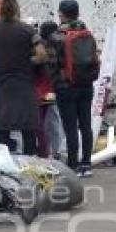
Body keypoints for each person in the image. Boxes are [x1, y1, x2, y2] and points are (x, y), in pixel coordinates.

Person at [0, 0, 47, 155]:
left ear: (1, 11)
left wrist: (1, 61)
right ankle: (30, 162)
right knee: (28, 130)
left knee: (2, 129)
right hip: (25, 86)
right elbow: (42, 55)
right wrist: (27, 60)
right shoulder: (28, 30)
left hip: (2, 88)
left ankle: (6, 166)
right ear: (17, 10)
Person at [51, 0, 100, 177]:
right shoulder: (88, 33)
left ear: (62, 14)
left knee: (70, 126)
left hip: (66, 87)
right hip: (86, 85)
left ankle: (73, 164)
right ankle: (86, 163)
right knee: (85, 125)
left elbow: (52, 65)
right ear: (78, 13)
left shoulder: (57, 36)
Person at [34, 21, 66, 159]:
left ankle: (44, 150)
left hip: (39, 90)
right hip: (52, 90)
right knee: (53, 120)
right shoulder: (57, 47)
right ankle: (57, 150)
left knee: (41, 122)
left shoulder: (39, 48)